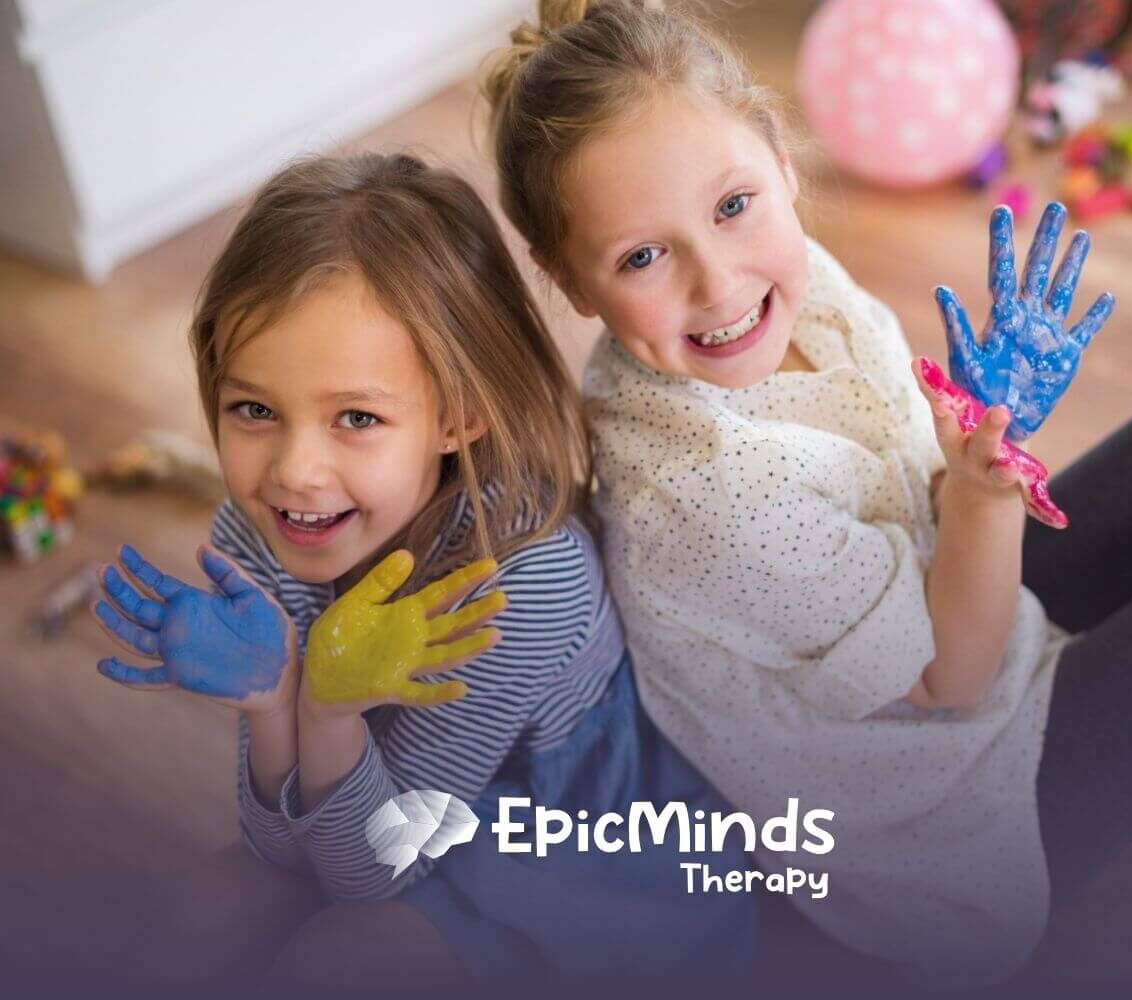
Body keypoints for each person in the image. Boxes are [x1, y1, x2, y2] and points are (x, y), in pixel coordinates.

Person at [483, 0, 1132, 984]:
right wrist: (985, 499)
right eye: (642, 256)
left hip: (977, 613)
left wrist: (970, 458)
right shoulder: (718, 497)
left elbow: (913, 495)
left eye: (733, 206)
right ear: (569, 281)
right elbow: (957, 679)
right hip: (959, 819)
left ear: (780, 158)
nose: (719, 281)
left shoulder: (794, 279)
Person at [90, 151, 754, 993]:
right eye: (253, 409)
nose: (294, 471)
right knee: (214, 901)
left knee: (344, 958)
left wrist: (325, 711)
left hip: (575, 862)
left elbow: (369, 877)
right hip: (390, 821)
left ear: (459, 415)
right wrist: (270, 701)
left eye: (356, 418)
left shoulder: (518, 589)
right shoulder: (260, 536)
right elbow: (279, 850)